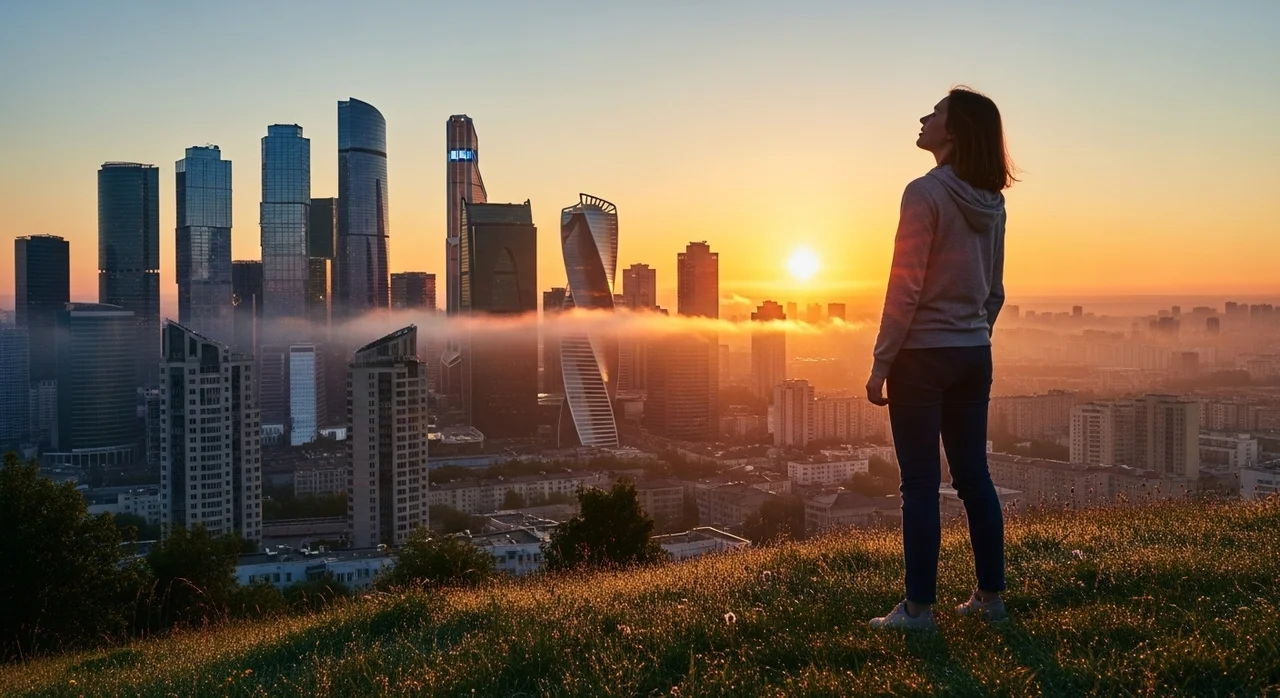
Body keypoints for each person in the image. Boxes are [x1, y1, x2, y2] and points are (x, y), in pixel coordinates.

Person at [865, 87, 1015, 631]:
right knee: (975, 476)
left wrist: (882, 361)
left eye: (935, 112)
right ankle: (991, 600)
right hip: (975, 353)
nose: (924, 117)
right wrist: (974, 333)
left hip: (922, 357)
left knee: (920, 483)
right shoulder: (993, 202)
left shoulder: (923, 193)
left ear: (952, 132)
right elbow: (994, 290)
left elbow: (904, 287)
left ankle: (919, 610)